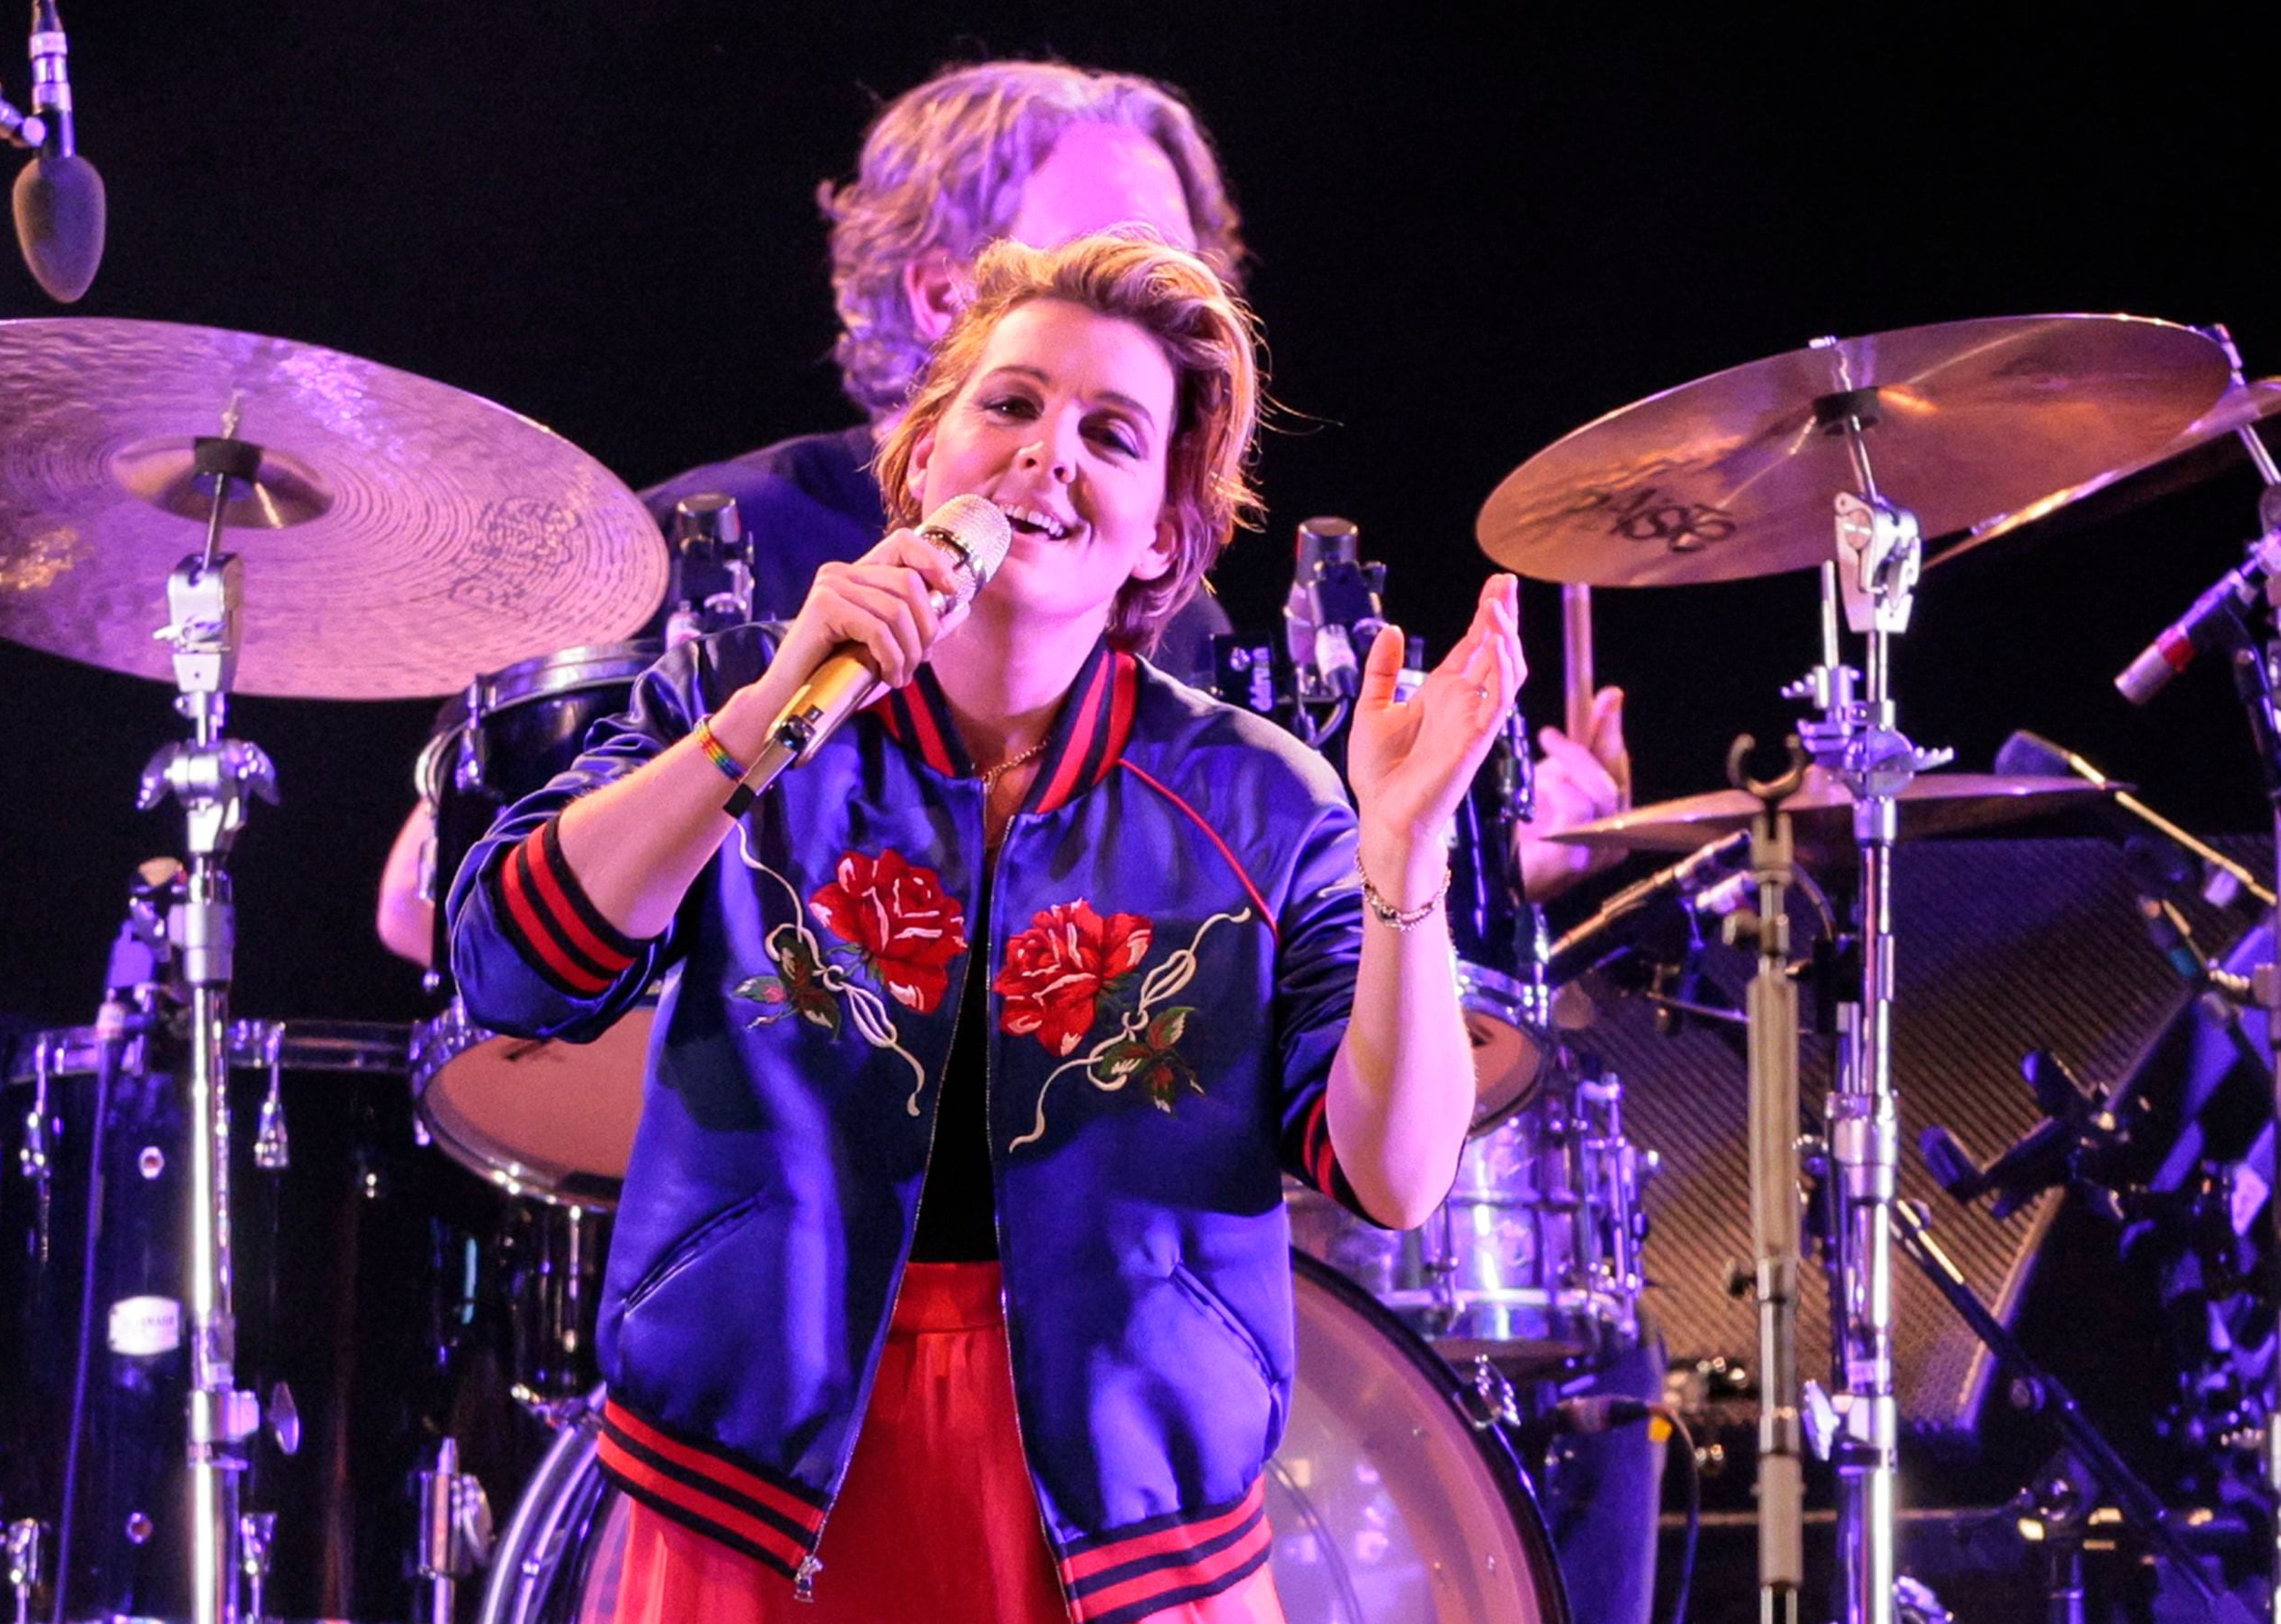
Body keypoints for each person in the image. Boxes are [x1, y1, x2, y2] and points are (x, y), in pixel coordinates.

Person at [446, 233, 1523, 1624]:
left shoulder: (1256, 799)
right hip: (751, 1496)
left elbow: (1390, 1172)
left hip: (1126, 1529)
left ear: (1158, 537)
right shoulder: (734, 697)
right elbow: (512, 966)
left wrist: (1406, 868)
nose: (1044, 456)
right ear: (920, 459)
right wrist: (768, 716)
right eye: (1008, 406)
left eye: (1110, 434)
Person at [377, 59, 1632, 961]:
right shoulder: (702, 548)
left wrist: (1473, 859)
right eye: (1103, 255)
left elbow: (1228, 959)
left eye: (1181, 273)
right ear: (941, 299)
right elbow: (423, 904)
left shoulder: (1163, 619)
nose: (1144, 305)